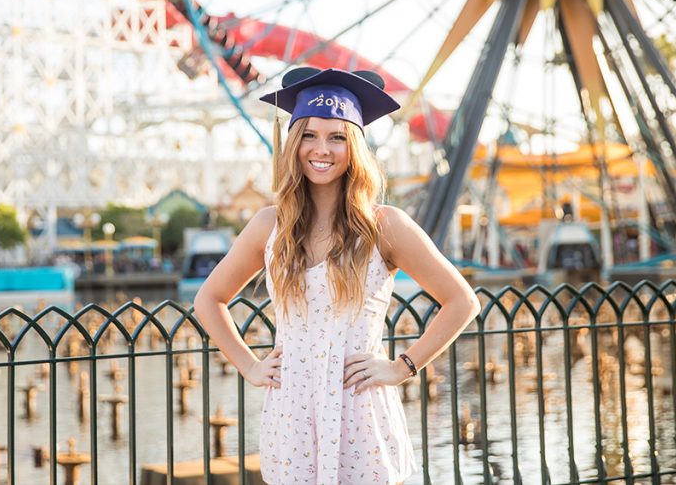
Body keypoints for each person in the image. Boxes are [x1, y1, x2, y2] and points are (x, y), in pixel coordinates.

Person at [194, 67, 481, 485]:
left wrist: (401, 367)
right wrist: (250, 367)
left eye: (337, 137)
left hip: (360, 411)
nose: (321, 149)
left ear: (355, 147)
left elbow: (462, 301)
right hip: (293, 413)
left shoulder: (386, 226)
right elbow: (209, 300)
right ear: (293, 143)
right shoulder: (269, 226)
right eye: (309, 135)